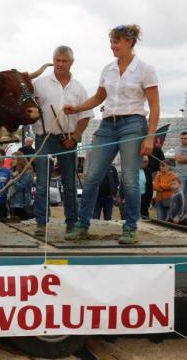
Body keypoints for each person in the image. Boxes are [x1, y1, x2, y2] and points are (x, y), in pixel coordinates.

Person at [64, 24, 160, 244]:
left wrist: (150, 136)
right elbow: (99, 97)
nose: (112, 45)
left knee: (129, 179)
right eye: (111, 42)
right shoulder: (108, 69)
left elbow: (154, 106)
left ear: (129, 42)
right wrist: (77, 108)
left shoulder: (145, 69)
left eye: (116, 41)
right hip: (107, 124)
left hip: (133, 124)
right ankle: (82, 224)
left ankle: (130, 227)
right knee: (91, 176)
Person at [32, 45, 93, 237]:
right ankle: (41, 223)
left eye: (64, 61)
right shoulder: (39, 84)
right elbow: (29, 107)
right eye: (57, 60)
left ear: (71, 63)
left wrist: (75, 137)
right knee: (41, 183)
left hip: (68, 139)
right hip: (44, 137)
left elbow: (85, 115)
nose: (60, 64)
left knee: (69, 184)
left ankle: (71, 223)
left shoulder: (79, 87)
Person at [8, 151, 34, 220]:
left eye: (13, 159)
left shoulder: (27, 172)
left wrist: (13, 180)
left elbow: (21, 186)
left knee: (22, 224)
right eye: (11, 159)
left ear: (19, 160)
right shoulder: (12, 171)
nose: (12, 161)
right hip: (12, 202)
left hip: (22, 204)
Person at [174, 131, 187, 198]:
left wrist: (182, 158)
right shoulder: (177, 148)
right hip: (180, 175)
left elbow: (180, 159)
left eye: (185, 138)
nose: (183, 140)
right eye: (182, 138)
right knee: (180, 195)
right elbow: (178, 159)